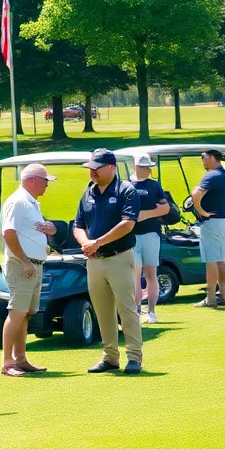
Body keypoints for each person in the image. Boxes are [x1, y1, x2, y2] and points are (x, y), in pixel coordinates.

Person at [72, 149, 143, 374]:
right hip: (94, 260)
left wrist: (97, 243)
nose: (92, 172)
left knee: (126, 308)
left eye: (97, 167)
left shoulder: (126, 190)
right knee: (102, 310)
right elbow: (78, 225)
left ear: (111, 167)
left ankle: (134, 357)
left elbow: (127, 224)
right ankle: (110, 356)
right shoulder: (88, 192)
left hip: (119, 258)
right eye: (90, 168)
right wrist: (86, 244)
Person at [0, 163, 58, 377]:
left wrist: (47, 235)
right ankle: (7, 362)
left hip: (34, 265)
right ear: (32, 180)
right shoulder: (18, 201)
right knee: (17, 312)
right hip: (22, 266)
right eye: (45, 181)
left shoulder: (32, 203)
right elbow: (8, 233)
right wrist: (25, 261)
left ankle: (20, 358)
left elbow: (26, 232)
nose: (47, 185)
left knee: (25, 313)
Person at [129, 153, 168, 324]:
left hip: (151, 234)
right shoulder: (126, 185)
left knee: (151, 274)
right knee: (135, 276)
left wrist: (144, 215)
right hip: (132, 237)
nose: (148, 170)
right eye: (144, 166)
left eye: (149, 167)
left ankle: (151, 311)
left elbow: (165, 208)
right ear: (136, 166)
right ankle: (137, 311)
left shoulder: (154, 186)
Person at [191, 148, 225, 307]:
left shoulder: (212, 175)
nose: (202, 160)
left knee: (211, 260)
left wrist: (201, 211)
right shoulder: (223, 175)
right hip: (221, 221)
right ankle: (222, 295)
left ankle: (211, 298)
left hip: (211, 222)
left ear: (213, 158)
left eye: (204, 157)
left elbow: (196, 194)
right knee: (220, 259)